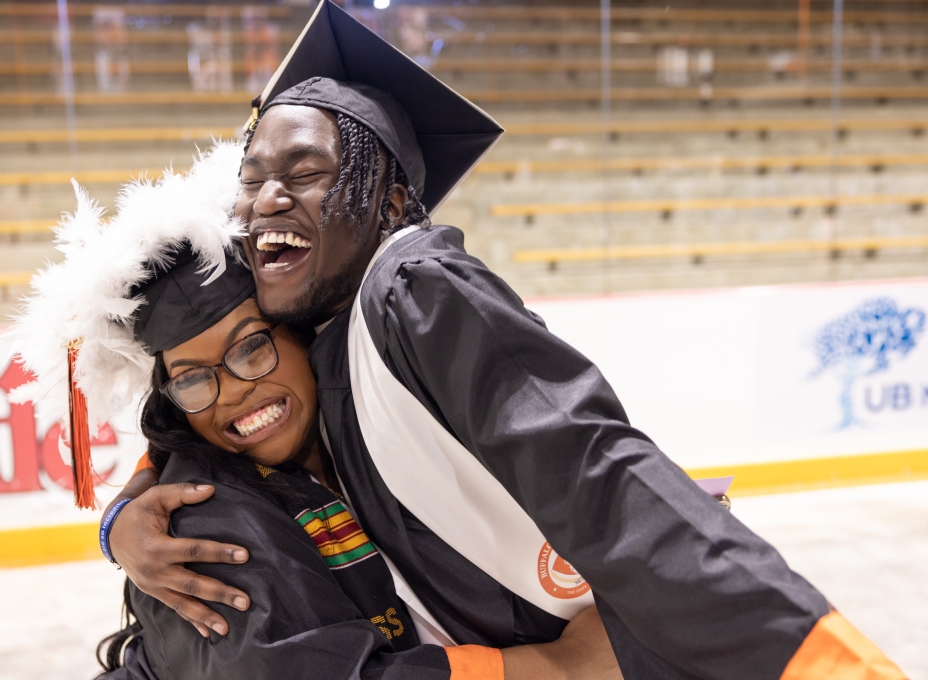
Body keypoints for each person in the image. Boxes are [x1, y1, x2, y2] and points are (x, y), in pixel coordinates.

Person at [102, 2, 906, 678]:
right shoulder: (313, 336)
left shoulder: (407, 283)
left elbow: (594, 468)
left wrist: (825, 663)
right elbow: (206, 400)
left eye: (306, 172)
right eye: (251, 180)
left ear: (390, 205)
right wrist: (123, 517)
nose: (269, 198)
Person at [10, 144, 620, 680]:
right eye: (192, 378)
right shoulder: (204, 527)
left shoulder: (370, 411)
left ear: (306, 333)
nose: (232, 391)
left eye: (252, 347)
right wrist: (562, 669)